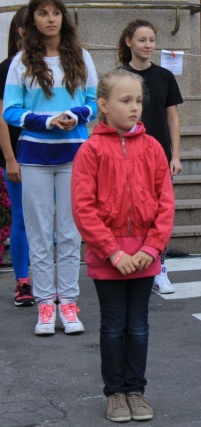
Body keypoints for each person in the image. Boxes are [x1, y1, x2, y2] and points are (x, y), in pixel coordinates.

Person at [71, 69, 175, 422]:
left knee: (139, 326)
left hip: (144, 255)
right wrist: (112, 251)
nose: (134, 107)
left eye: (139, 101)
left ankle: (136, 390)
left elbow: (166, 203)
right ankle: (115, 393)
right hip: (108, 257)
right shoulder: (91, 150)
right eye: (125, 100)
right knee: (114, 326)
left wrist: (150, 248)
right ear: (103, 105)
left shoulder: (153, 148)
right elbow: (83, 208)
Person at [2, 0, 97, 335]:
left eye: (55, 12)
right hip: (34, 158)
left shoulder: (82, 57)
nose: (50, 18)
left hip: (75, 156)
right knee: (40, 233)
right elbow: (10, 111)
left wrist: (75, 115)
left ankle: (68, 302)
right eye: (43, 13)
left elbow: (94, 103)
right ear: (33, 21)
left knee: (70, 233)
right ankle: (45, 304)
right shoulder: (21, 61)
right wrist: (46, 121)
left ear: (63, 18)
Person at [117, 19, 183, 294]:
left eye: (152, 40)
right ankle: (130, 262)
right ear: (129, 42)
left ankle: (159, 267)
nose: (148, 45)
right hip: (127, 157)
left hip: (159, 157)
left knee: (159, 214)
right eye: (142, 40)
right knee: (130, 212)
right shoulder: (120, 77)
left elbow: (173, 119)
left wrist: (175, 156)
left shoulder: (165, 76)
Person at [0, 6, 32, 307]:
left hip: (49, 154)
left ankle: (48, 279)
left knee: (49, 221)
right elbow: (1, 117)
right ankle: (23, 281)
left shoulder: (53, 64)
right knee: (22, 218)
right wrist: (10, 158)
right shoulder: (7, 67)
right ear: (23, 31)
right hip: (17, 156)